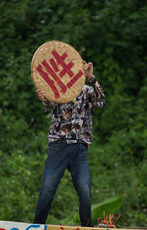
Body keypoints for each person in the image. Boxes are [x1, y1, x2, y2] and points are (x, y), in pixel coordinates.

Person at [33, 61, 105, 227]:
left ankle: (87, 226)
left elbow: (101, 101)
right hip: (58, 144)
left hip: (79, 147)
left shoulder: (87, 91)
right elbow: (47, 103)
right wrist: (43, 97)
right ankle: (37, 225)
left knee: (85, 190)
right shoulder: (57, 90)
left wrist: (91, 77)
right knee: (48, 188)